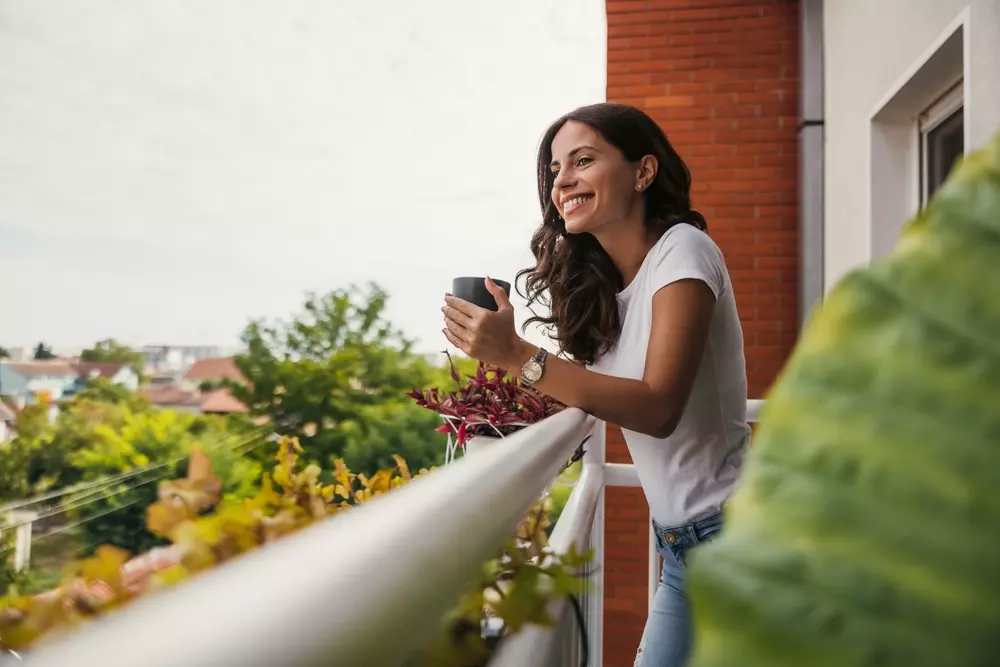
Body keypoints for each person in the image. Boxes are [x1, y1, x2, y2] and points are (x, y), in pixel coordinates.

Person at [440, 102, 750, 667]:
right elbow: (589, 391)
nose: (563, 181)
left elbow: (657, 407)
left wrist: (516, 354)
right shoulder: (608, 290)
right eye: (556, 169)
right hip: (682, 544)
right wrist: (491, 402)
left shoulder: (683, 251)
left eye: (583, 160)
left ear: (643, 172)